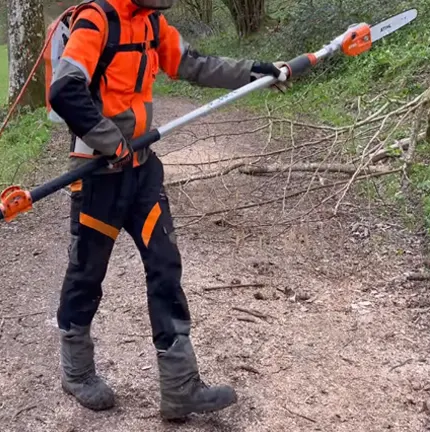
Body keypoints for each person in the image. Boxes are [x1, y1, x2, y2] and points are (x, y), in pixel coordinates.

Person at [48, 0, 288, 420]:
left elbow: (193, 64)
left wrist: (256, 71)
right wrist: (110, 141)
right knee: (86, 274)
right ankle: (77, 371)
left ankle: (180, 388)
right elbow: (65, 90)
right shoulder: (97, 19)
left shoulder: (153, 24)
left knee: (165, 266)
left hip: (142, 171)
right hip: (96, 175)